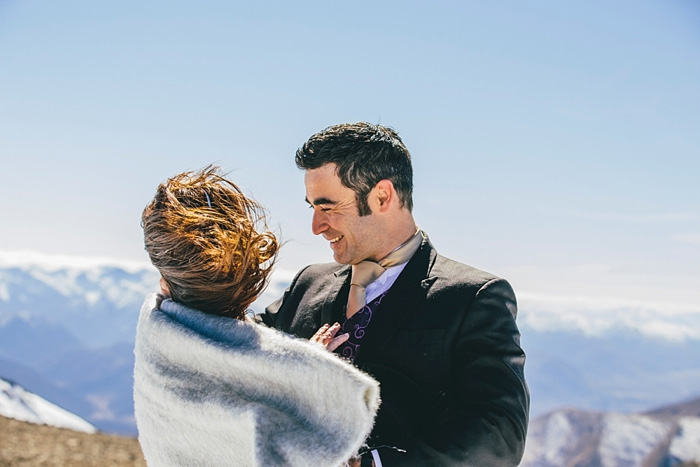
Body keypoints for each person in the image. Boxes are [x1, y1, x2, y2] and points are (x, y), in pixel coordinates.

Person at [260, 123, 530, 466]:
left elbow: (500, 433)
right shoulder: (307, 283)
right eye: (312, 207)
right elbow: (232, 348)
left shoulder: (472, 298)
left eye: (327, 207)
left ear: (382, 196)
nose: (316, 225)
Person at [134, 166, 380, 467]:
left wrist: (299, 364)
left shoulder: (155, 340)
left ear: (165, 282)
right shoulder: (293, 372)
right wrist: (309, 371)